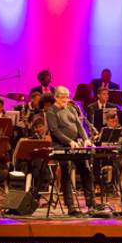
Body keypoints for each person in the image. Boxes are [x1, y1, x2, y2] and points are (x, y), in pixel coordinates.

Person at [45, 86, 99, 216]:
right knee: (66, 172)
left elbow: (79, 126)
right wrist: (69, 142)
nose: (65, 100)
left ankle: (91, 203)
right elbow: (54, 130)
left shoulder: (71, 109)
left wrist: (85, 139)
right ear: (56, 97)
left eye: (66, 97)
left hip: (76, 145)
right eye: (62, 97)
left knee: (86, 170)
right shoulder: (51, 111)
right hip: (61, 146)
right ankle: (71, 206)